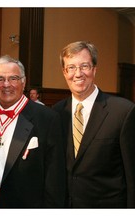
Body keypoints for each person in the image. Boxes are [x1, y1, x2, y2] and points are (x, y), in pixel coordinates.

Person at [0, 55, 65, 208]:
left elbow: (55, 178)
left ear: (24, 82)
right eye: (0, 79)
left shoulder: (47, 118)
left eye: (13, 78)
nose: (6, 84)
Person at [53, 41, 135, 208]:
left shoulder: (123, 112)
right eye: (71, 67)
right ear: (64, 72)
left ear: (94, 69)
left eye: (84, 66)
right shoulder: (56, 113)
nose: (78, 74)